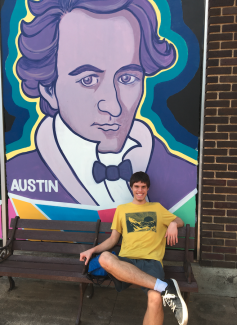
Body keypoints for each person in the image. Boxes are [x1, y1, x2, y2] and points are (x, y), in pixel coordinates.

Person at [7, 0, 196, 211]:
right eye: (88, 80)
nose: (114, 107)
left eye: (127, 78)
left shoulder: (186, 183)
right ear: (49, 90)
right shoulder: (16, 184)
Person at [80, 172, 188, 325]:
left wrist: (172, 224)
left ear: (147, 189)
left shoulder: (156, 208)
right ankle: (165, 287)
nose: (140, 190)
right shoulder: (122, 210)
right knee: (104, 257)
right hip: (126, 262)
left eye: (143, 187)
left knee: (156, 298)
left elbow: (179, 220)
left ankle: (162, 288)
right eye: (136, 186)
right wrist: (92, 250)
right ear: (131, 188)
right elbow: (112, 240)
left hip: (151, 262)